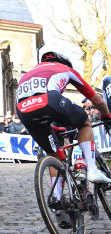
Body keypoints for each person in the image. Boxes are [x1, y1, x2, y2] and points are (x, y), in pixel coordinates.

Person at [15, 50, 111, 188]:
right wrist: (106, 116)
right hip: (49, 100)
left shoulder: (26, 75)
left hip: (23, 111)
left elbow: (33, 104)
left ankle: (57, 197)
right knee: (84, 122)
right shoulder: (65, 69)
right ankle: (92, 170)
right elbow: (98, 101)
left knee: (54, 155)